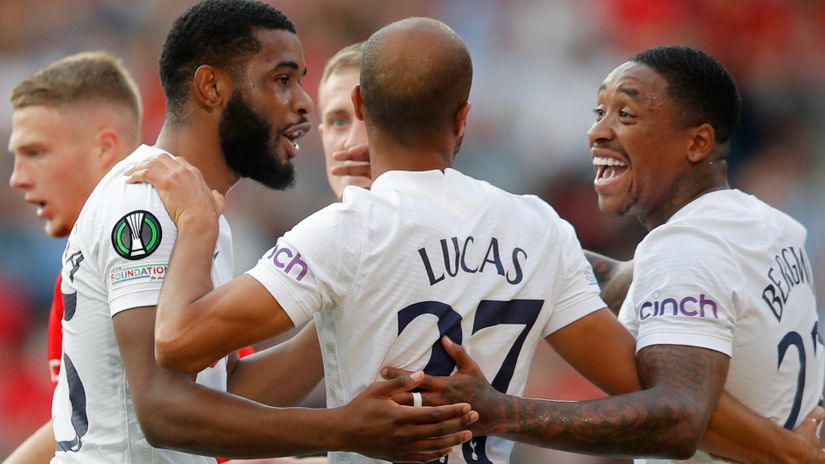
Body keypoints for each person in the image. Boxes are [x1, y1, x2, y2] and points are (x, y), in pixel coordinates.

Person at [126, 16, 647, 464]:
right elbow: (646, 396)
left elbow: (175, 343)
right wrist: (511, 413)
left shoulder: (345, 232)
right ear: (463, 116)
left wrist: (198, 227)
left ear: (362, 104)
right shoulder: (539, 228)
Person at [48, 1, 476, 462]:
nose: (304, 100)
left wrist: (343, 307)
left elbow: (231, 389)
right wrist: (342, 428)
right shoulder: (146, 201)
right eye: (282, 79)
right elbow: (162, 411)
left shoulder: (201, 212)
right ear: (212, 87)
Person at [383, 45, 825, 463]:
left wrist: (501, 412)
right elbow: (621, 283)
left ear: (697, 143)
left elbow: (679, 419)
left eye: (626, 114)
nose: (596, 131)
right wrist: (505, 238)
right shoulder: (764, 224)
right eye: (600, 113)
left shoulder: (686, 250)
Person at [5, 51, 143, 464]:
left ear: (104, 149)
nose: (17, 177)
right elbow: (89, 419)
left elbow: (215, 401)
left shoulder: (143, 245)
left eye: (37, 152)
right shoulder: (82, 265)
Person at [317, 41, 372, 200]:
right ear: (323, 136)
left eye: (372, 121)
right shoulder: (310, 225)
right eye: (339, 122)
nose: (354, 142)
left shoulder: (446, 221)